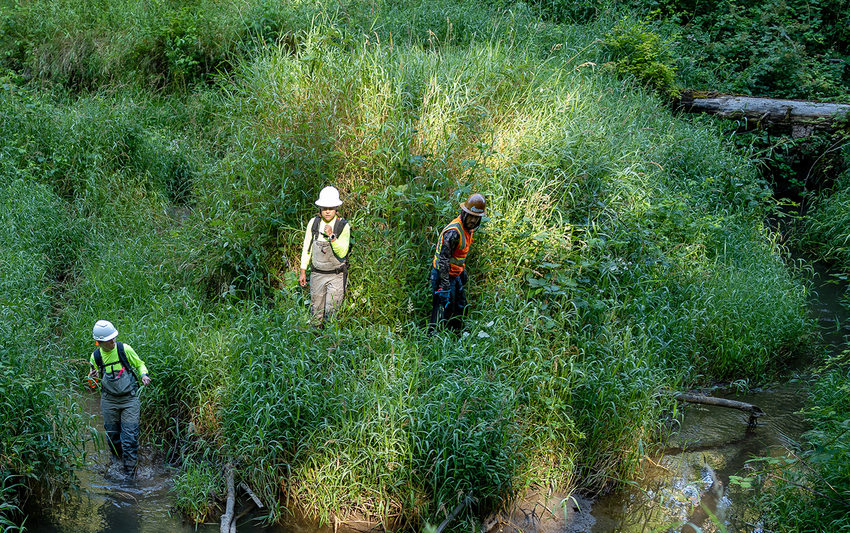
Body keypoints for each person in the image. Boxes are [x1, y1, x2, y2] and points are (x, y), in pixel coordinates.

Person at [88, 320, 151, 477]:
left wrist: (144, 374)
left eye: (114, 337)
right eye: (110, 340)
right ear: (100, 342)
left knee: (129, 437)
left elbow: (140, 364)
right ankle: (117, 465)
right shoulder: (95, 357)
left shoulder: (124, 349)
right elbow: (92, 386)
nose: (113, 341)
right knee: (113, 437)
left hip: (129, 400)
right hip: (109, 401)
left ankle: (130, 473)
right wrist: (92, 377)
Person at [429, 193, 486, 332]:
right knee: (442, 312)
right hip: (443, 275)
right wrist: (445, 285)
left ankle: (457, 337)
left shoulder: (468, 229)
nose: (473, 220)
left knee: (460, 307)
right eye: (471, 216)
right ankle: (432, 342)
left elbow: (457, 255)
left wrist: (461, 272)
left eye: (476, 217)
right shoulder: (454, 232)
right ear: (464, 213)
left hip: (454, 274)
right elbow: (443, 260)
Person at [299, 186, 351, 325]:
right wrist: (303, 270)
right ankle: (315, 342)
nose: (327, 211)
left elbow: (342, 252)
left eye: (331, 208)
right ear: (320, 208)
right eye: (324, 208)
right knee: (316, 312)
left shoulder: (342, 226)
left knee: (331, 312)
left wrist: (331, 236)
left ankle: (330, 344)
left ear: (336, 208)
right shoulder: (314, 223)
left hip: (336, 276)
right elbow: (307, 247)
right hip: (317, 275)